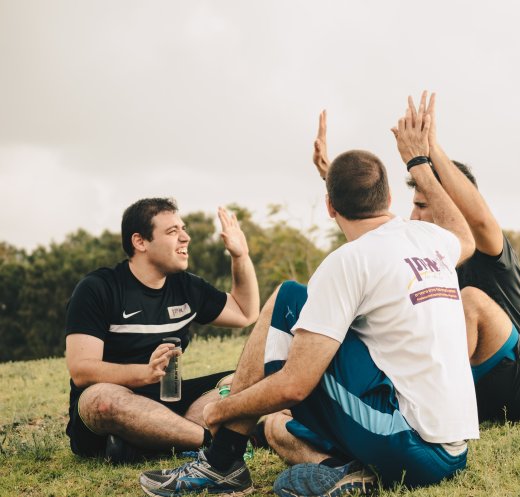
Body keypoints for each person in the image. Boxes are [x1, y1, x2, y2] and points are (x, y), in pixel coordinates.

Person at [139, 101, 479, 497]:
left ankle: (222, 461)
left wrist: (221, 408)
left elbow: (295, 387)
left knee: (287, 299)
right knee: (281, 425)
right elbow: (465, 234)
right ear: (388, 199)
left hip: (410, 444)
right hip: (454, 449)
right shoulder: (432, 239)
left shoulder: (346, 261)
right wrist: (418, 159)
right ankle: (339, 471)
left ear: (330, 206)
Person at [64, 198, 260, 463]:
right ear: (140, 242)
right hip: (116, 402)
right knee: (101, 399)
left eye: (183, 229)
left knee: (248, 379)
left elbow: (244, 312)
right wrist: (144, 373)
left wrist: (240, 256)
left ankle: (159, 442)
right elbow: (81, 370)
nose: (186, 238)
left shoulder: (186, 287)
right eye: (172, 232)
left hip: (173, 403)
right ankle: (211, 441)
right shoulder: (99, 288)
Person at [403, 92, 520, 422]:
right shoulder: (426, 257)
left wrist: (429, 152)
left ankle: (434, 413)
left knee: (469, 299)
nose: (413, 217)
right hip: (480, 391)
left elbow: (481, 219)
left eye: (422, 206)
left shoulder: (484, 245)